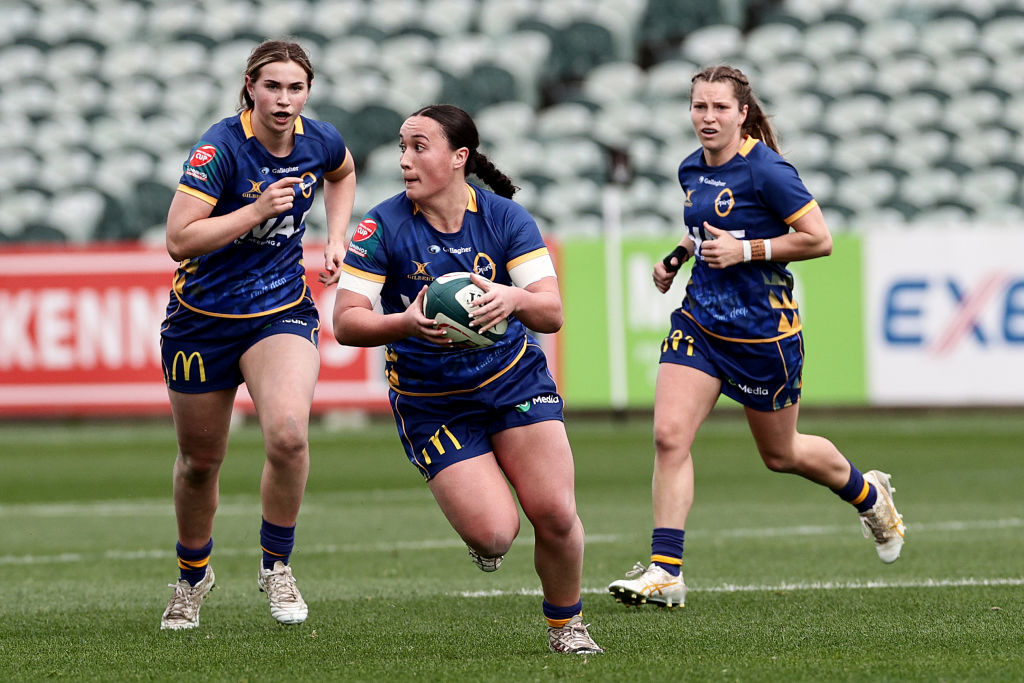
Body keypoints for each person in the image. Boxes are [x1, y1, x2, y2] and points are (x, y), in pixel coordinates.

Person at [608, 65, 905, 608]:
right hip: (700, 321)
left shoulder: (769, 171)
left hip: (763, 335)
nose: (708, 117)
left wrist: (747, 252)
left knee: (782, 453)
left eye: (720, 107)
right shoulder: (690, 169)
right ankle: (666, 570)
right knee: (670, 436)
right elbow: (701, 229)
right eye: (699, 106)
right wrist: (677, 257)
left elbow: (820, 240)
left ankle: (870, 495)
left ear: (742, 113)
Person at [332, 104, 602, 655]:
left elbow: (551, 314)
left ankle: (567, 626)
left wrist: (516, 297)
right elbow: (346, 321)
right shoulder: (380, 226)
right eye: (402, 146)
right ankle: (483, 528)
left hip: (512, 381)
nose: (403, 159)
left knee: (553, 512)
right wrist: (405, 322)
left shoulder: (505, 219)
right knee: (495, 532)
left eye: (418, 146)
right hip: (432, 402)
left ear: (459, 159)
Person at [158, 39, 356, 630]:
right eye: (272, 86)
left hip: (279, 310)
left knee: (290, 435)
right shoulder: (219, 149)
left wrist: (336, 237)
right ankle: (193, 575)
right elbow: (178, 238)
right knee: (200, 461)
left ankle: (277, 566)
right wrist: (254, 211)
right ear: (250, 86)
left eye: (296, 88)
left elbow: (343, 173)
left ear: (308, 93)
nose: (284, 99)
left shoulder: (319, 140)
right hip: (202, 319)